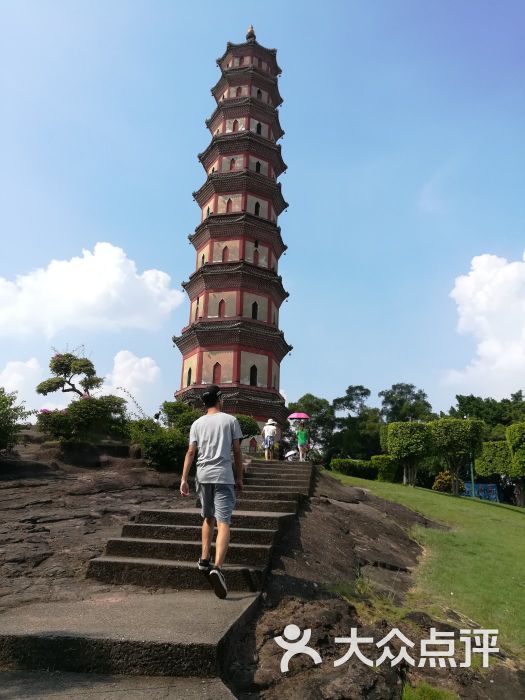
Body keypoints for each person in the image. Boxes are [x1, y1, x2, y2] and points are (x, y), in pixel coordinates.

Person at [180, 385, 243, 599]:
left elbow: (190, 452)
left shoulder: (197, 423)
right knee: (223, 521)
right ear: (220, 399)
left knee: (207, 517)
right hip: (223, 476)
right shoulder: (230, 421)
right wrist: (240, 477)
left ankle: (204, 558)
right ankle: (217, 567)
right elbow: (236, 451)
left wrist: (183, 479)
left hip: (203, 476)